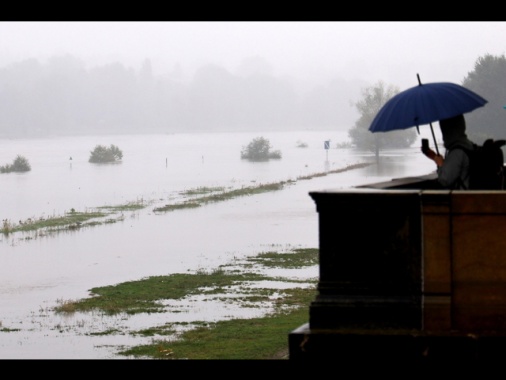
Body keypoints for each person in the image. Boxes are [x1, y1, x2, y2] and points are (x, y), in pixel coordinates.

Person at [422, 114, 475, 189]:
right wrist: (434, 157)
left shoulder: (457, 152)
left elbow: (445, 180)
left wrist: (440, 164)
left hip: (461, 198)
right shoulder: (467, 145)